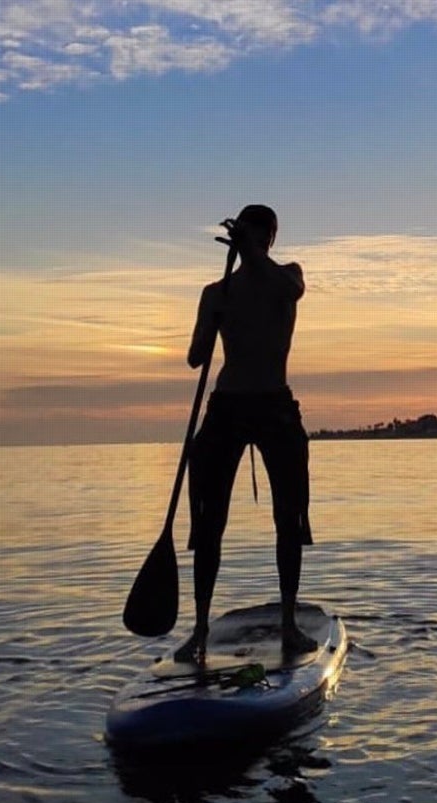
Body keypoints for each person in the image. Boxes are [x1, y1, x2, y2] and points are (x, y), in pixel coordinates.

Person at [174, 204, 317, 665]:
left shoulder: (287, 277)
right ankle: (198, 628)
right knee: (208, 521)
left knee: (289, 518)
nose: (254, 244)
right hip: (228, 406)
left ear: (269, 239)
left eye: (260, 236)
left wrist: (252, 256)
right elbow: (197, 358)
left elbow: (290, 290)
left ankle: (290, 623)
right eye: (249, 237)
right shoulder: (216, 291)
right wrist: (212, 316)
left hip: (274, 403)